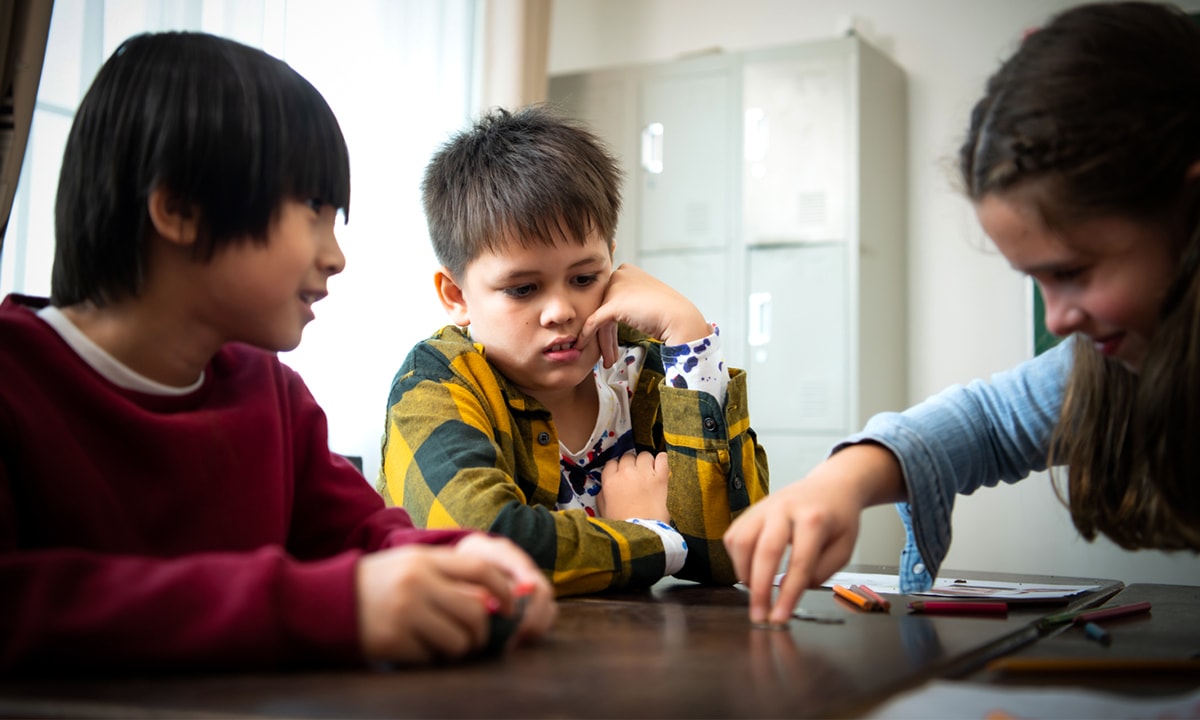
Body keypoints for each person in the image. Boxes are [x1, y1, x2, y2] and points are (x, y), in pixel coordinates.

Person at [0, 31, 556, 674]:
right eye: (314, 211)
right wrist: (325, 606)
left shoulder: (272, 394)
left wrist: (457, 562)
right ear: (179, 208)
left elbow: (362, 535)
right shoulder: (17, 380)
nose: (336, 257)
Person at [724, 0, 1200, 626]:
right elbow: (989, 422)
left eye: (1071, 273)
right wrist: (838, 483)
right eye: (1037, 282)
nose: (1057, 321)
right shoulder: (1109, 366)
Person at [378, 105, 769, 597]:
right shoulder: (436, 382)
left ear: (611, 258)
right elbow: (486, 551)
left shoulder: (644, 372)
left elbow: (737, 550)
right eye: (522, 289)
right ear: (456, 296)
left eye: (584, 278)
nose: (561, 311)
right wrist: (643, 532)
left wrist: (689, 337)